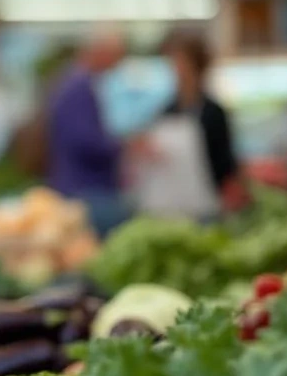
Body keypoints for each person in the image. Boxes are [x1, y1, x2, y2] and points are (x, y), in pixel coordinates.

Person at [133, 33, 242, 220]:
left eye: (180, 61)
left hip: (206, 206)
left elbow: (225, 161)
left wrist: (232, 190)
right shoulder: (165, 110)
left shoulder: (213, 112)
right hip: (169, 210)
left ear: (196, 65)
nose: (176, 68)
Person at [45, 27, 132, 234]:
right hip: (86, 190)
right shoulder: (79, 88)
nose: (116, 65)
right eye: (116, 56)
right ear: (101, 52)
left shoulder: (79, 84)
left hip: (81, 187)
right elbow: (85, 141)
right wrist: (123, 146)